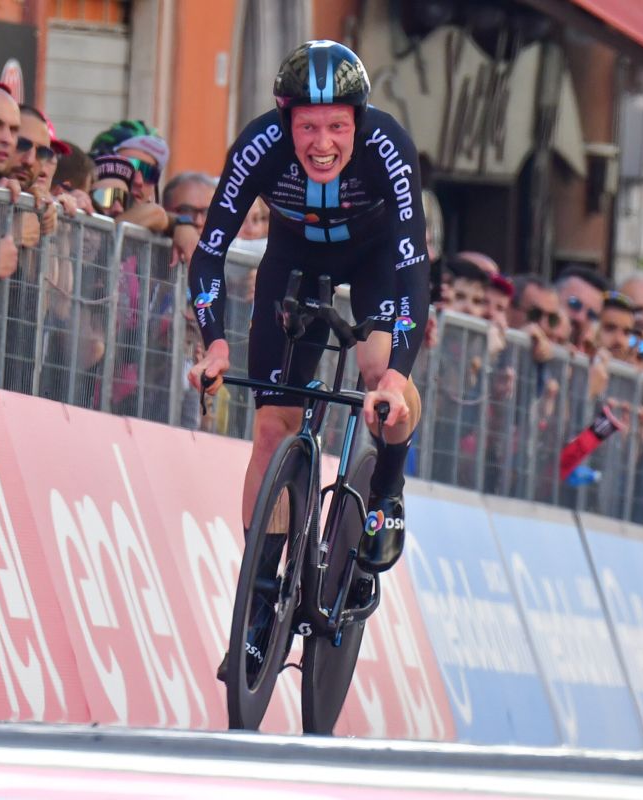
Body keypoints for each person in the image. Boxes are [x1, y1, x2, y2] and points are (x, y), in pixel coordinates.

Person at [188, 42, 429, 609]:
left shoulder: (388, 145)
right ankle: (258, 604)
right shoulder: (258, 145)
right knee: (273, 430)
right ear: (285, 123)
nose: (322, 144)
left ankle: (387, 490)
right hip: (294, 260)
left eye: (337, 127)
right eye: (308, 127)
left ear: (358, 122)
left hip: (374, 261)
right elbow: (209, 253)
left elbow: (415, 269)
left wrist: (396, 378)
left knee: (377, 372)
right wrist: (215, 344)